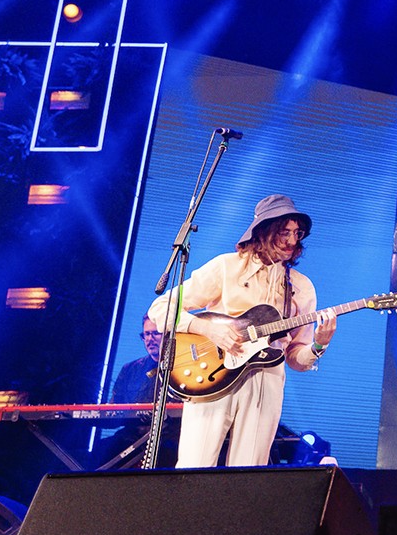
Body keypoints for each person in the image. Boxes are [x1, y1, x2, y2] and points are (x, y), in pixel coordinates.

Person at [147, 194, 335, 468]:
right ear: (263, 230)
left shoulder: (301, 287)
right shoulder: (226, 267)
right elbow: (161, 307)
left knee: (248, 474)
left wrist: (319, 345)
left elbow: (296, 356)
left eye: (298, 233)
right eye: (284, 232)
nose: (292, 241)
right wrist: (207, 329)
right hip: (213, 375)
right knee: (193, 467)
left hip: (265, 382)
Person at [108, 315, 163, 404]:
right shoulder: (129, 369)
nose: (150, 339)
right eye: (147, 334)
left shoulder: (180, 369)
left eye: (156, 333)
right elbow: (114, 406)